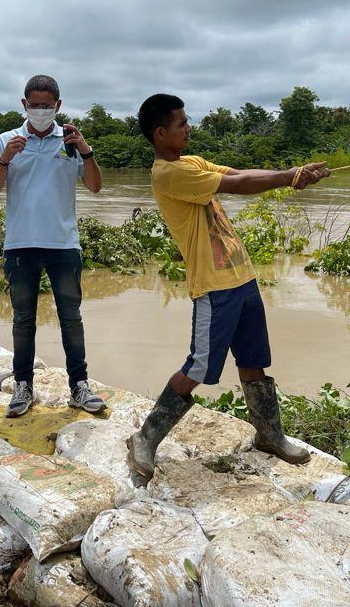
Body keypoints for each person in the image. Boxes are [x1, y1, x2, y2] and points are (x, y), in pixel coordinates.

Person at [126, 93, 331, 481]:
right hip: (214, 288)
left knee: (254, 361)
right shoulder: (168, 174)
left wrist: (293, 172)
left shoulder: (190, 162)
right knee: (199, 367)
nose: (188, 128)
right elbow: (236, 187)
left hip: (242, 278)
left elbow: (238, 173)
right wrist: (289, 178)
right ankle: (146, 438)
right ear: (159, 133)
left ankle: (270, 435)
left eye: (187, 121)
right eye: (181, 124)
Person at [0, 74, 106, 417]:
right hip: (20, 245)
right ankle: (23, 386)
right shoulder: (7, 139)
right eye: (34, 105)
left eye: (46, 106)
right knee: (23, 320)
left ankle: (79, 386)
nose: (40, 111)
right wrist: (5, 159)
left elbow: (95, 186)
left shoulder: (69, 142)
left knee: (71, 318)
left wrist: (86, 149)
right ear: (24, 105)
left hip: (64, 245)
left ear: (58, 106)